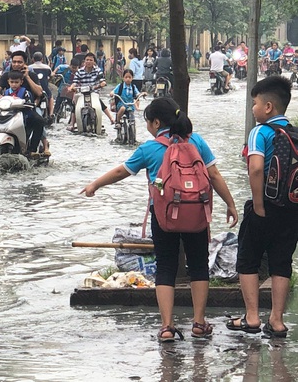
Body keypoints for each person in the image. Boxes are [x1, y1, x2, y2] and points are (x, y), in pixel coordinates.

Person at [81, 97, 238, 342]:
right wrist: (230, 204)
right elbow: (214, 175)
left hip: (164, 215)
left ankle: (167, 326)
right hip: (196, 213)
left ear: (156, 122)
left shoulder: (150, 148)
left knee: (165, 266)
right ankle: (199, 323)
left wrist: (95, 185)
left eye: (147, 122)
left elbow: (122, 171)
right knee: (198, 265)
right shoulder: (196, 140)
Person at [227, 76, 298, 339]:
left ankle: (252, 317)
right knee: (282, 262)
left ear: (268, 107)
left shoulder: (261, 131)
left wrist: (258, 205)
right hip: (291, 210)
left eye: (254, 104)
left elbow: (256, 167)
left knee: (248, 260)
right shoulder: (294, 133)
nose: (253, 109)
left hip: (264, 206)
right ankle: (277, 321)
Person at [0, 51, 46, 157]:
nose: (16, 64)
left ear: (25, 62)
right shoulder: (7, 75)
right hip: (8, 110)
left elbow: (39, 92)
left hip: (26, 110)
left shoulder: (32, 75)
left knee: (39, 121)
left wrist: (27, 77)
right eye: (14, 62)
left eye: (19, 62)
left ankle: (32, 149)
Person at [1, 71, 51, 157]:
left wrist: (25, 104)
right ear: (8, 82)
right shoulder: (5, 93)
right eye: (12, 82)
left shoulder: (26, 93)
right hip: (9, 116)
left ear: (21, 82)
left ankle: (33, 149)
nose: (14, 84)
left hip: (25, 115)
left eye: (16, 82)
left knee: (39, 121)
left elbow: (30, 103)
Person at [67, 52, 114, 131]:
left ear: (94, 62)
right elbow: (75, 82)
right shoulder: (80, 71)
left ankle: (111, 119)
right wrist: (71, 87)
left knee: (100, 103)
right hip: (81, 93)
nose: (88, 61)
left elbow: (102, 80)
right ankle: (72, 123)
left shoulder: (98, 70)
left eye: (90, 60)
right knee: (75, 103)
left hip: (94, 92)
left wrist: (102, 84)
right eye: (87, 60)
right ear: (84, 61)